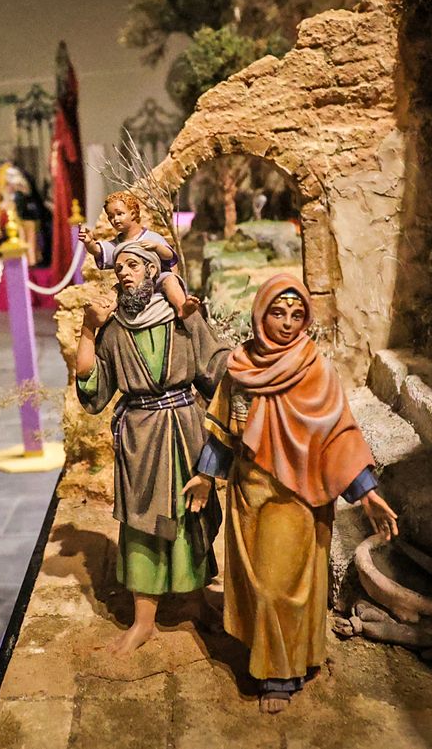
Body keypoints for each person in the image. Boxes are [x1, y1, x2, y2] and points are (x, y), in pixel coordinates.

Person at [183, 274, 399, 714]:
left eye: (296, 314)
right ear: (261, 313)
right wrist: (206, 475)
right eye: (278, 312)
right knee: (257, 587)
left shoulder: (316, 369)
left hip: (297, 500)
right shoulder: (240, 366)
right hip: (249, 496)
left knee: (283, 590)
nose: (286, 322)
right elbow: (223, 430)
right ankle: (281, 660)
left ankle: (280, 673)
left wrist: (367, 493)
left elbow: (338, 435)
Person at [72, 241, 230, 655]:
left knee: (192, 517)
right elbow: (93, 390)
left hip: (186, 429)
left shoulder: (182, 320)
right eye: (119, 266)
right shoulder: (114, 330)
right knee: (143, 523)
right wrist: (89, 329)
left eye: (134, 266)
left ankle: (195, 603)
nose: (124, 273)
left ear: (152, 271)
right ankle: (144, 620)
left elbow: (215, 366)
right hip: (141, 438)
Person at [78, 189, 197, 320]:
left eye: (119, 214)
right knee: (115, 291)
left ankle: (181, 308)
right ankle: (100, 315)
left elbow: (170, 257)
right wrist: (89, 242)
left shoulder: (151, 237)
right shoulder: (117, 244)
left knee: (170, 280)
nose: (115, 219)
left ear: (133, 214)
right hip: (130, 284)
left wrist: (157, 247)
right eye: (111, 217)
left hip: (155, 281)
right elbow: (98, 250)